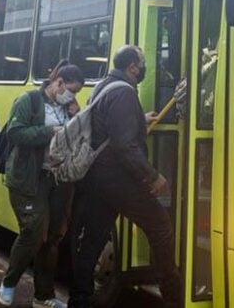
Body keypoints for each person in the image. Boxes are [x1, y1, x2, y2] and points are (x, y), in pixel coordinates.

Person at [68, 46, 180, 308]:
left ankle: (79, 299)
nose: (143, 68)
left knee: (93, 239)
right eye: (142, 62)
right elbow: (124, 146)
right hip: (119, 179)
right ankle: (174, 297)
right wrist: (153, 177)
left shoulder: (105, 86)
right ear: (133, 67)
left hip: (97, 177)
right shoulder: (125, 93)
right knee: (161, 227)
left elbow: (108, 125)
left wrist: (139, 120)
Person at [0, 61, 84, 308]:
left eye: (76, 92)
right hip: (29, 180)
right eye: (71, 90)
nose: (72, 95)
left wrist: (75, 116)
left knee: (53, 238)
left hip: (57, 180)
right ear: (57, 82)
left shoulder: (68, 108)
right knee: (33, 232)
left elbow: (79, 137)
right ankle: (10, 281)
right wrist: (49, 131)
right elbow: (14, 133)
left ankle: (43, 296)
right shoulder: (30, 101)